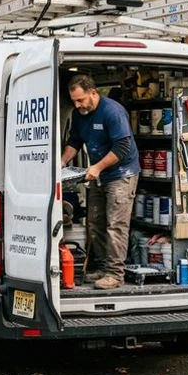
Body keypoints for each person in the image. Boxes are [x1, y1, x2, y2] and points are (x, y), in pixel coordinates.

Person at [61, 74, 139, 289]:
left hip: (121, 174)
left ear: (93, 93)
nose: (77, 105)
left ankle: (115, 274)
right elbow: (74, 141)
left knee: (116, 225)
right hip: (98, 174)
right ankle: (103, 268)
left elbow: (122, 148)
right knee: (95, 222)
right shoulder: (80, 115)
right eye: (74, 101)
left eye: (81, 100)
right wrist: (62, 161)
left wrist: (97, 167)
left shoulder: (112, 112)